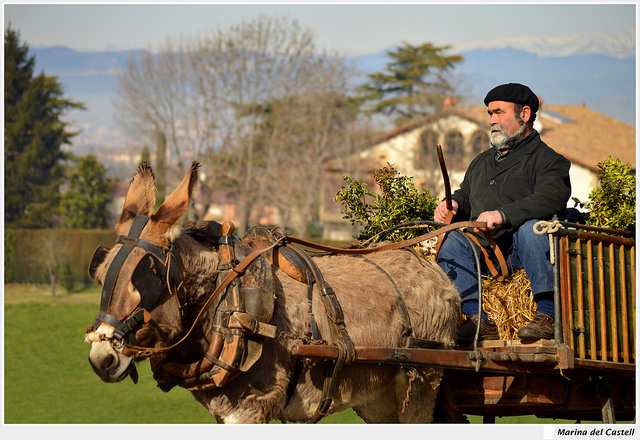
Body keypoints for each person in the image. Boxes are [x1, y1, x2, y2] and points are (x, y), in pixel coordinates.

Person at [434, 82, 571, 346]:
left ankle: (548, 314)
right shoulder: (481, 162)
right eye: (489, 114)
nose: (492, 121)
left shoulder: (550, 161)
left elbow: (551, 198)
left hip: (522, 254)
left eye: (498, 112)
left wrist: (503, 214)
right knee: (450, 239)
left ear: (525, 114)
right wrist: (452, 204)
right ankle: (477, 319)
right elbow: (466, 194)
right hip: (484, 253)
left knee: (532, 228)